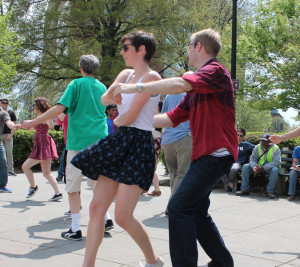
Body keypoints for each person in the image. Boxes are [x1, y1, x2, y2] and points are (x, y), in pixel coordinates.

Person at [113, 28, 238, 267]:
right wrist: (134, 119)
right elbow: (172, 117)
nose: (188, 51)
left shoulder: (215, 72)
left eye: (190, 46)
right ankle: (223, 263)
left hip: (216, 152)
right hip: (207, 155)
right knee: (197, 211)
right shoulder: (199, 85)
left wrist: (136, 87)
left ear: (198, 46)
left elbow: (180, 84)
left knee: (179, 208)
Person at [71, 31, 164, 267]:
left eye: (125, 47)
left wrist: (118, 114)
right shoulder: (126, 74)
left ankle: (153, 261)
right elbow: (104, 100)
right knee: (96, 208)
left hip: (138, 144)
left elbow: (129, 117)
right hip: (120, 141)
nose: (121, 51)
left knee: (123, 216)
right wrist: (115, 93)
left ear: (141, 49)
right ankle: (88, 264)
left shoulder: (152, 77)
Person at [22, 55, 108, 241]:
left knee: (73, 186)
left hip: (78, 142)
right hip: (99, 141)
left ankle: (75, 228)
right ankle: (106, 218)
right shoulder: (102, 87)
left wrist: (33, 122)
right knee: (97, 183)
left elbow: (59, 109)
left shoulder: (75, 85)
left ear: (80, 68)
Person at [21, 97, 63, 201]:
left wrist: (45, 117)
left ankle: (33, 187)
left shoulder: (45, 115)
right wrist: (18, 126)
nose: (33, 107)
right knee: (46, 173)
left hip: (43, 144)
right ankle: (58, 193)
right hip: (42, 144)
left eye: (34, 105)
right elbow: (32, 126)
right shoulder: (39, 117)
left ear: (39, 105)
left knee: (25, 166)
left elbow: (51, 126)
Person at [159, 93, 192, 214]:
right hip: (184, 137)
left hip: (168, 139)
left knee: (173, 174)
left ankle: (177, 204)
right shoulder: (192, 95)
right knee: (183, 173)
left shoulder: (168, 97)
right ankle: (172, 206)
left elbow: (164, 116)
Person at [235, 133, 281, 199]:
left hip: (269, 168)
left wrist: (263, 168)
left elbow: (276, 162)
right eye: (263, 141)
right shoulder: (257, 147)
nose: (264, 143)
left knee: (275, 170)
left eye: (266, 141)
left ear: (270, 141)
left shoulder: (275, 148)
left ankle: (270, 191)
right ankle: (244, 189)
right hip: (258, 167)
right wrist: (254, 167)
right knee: (245, 167)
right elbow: (252, 159)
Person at [0, 99, 19, 193]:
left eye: (6, 102)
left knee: (3, 161)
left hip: (2, 140)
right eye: (3, 102)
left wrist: (13, 127)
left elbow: (9, 122)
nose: (4, 104)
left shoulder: (4, 113)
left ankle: (2, 185)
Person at [55, 113, 68, 181]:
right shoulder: (65, 113)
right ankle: (60, 175)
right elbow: (58, 121)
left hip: (79, 142)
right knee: (64, 159)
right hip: (68, 143)